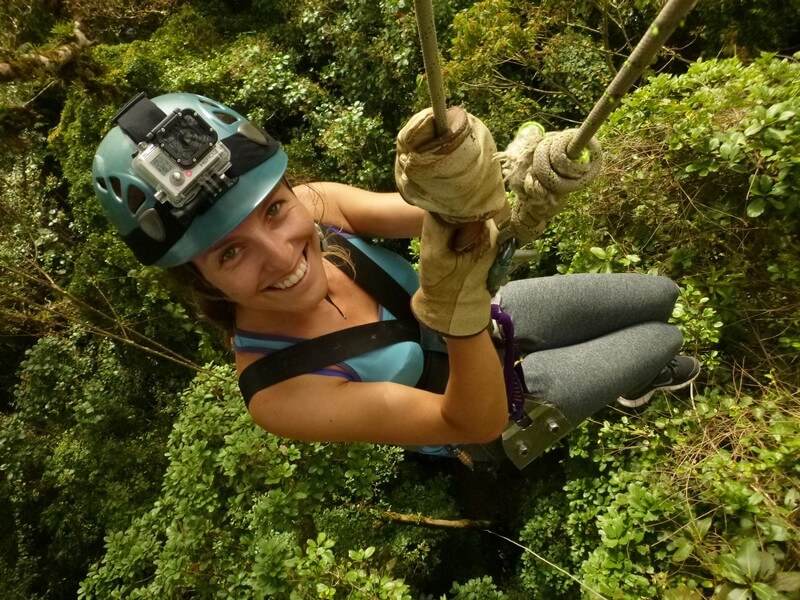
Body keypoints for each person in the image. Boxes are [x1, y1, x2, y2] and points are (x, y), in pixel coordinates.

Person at [92, 92, 700, 464]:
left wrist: (496, 177)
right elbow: (472, 423)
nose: (280, 256)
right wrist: (459, 315)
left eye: (275, 209)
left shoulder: (321, 205)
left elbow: (455, 214)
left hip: (493, 318)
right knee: (660, 342)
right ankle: (643, 381)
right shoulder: (279, 390)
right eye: (230, 254)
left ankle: (634, 368)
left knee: (661, 294)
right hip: (496, 406)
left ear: (287, 190)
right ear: (197, 280)